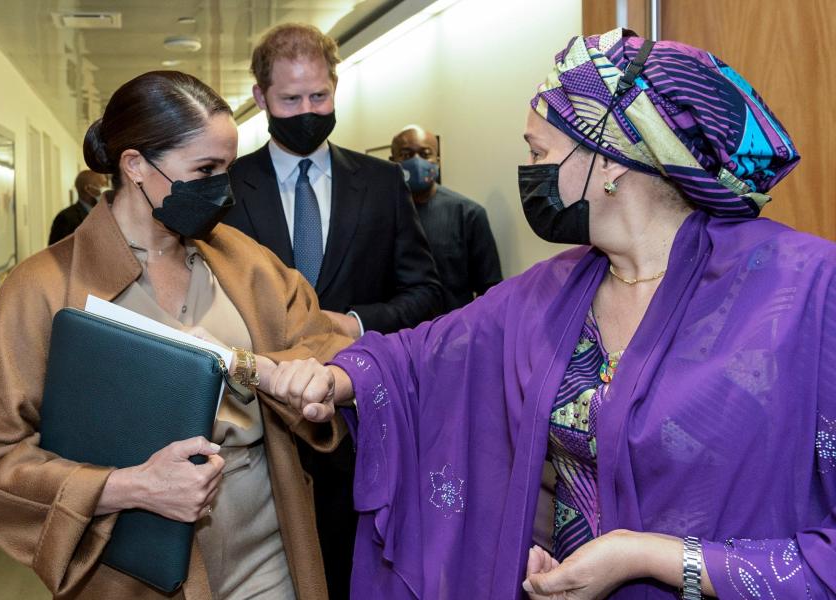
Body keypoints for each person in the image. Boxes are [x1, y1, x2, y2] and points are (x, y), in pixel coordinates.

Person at [270, 29, 836, 599]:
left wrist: (647, 557)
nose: (528, 168)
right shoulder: (554, 288)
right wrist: (334, 377)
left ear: (612, 157)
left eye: (539, 151)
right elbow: (421, 356)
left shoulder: (805, 289)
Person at [0, 70, 353, 600]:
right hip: (134, 573)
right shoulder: (42, 289)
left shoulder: (244, 262)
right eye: (205, 169)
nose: (223, 188)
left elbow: (330, 347)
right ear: (136, 165)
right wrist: (128, 487)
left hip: (269, 553)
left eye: (227, 169)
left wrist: (318, 377)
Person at [222, 23, 443, 598]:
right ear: (260, 96)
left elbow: (426, 293)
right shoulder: (226, 187)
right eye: (291, 99)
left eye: (319, 96)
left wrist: (356, 323)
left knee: (352, 575)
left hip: (358, 425)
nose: (306, 110)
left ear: (335, 88)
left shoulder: (381, 182)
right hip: (259, 428)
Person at [390, 124, 503, 312]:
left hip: (452, 333)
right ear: (392, 161)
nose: (417, 161)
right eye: (407, 155)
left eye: (426, 154)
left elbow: (490, 290)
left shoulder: (468, 215)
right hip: (395, 333)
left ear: (437, 160)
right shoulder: (378, 214)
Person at [48, 169, 108, 244]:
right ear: (88, 189)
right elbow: (55, 252)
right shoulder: (66, 218)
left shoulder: (106, 214)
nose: (107, 190)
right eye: (102, 185)